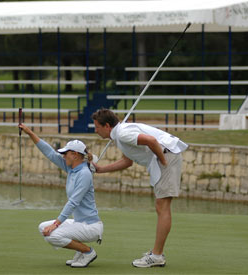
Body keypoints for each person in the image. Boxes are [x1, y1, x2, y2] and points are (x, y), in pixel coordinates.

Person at [91, 108, 188, 268]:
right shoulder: (120, 135)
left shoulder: (122, 133)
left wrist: (163, 160)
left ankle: (157, 256)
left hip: (166, 155)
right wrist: (101, 169)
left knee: (162, 207)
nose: (95, 130)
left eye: (97, 127)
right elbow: (127, 162)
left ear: (107, 126)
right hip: (165, 155)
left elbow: (151, 140)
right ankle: (156, 254)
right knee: (161, 206)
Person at [19, 123, 103, 268]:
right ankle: (81, 251)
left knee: (53, 235)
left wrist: (56, 224)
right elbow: (50, 153)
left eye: (66, 153)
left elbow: (73, 202)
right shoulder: (71, 168)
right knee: (42, 227)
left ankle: (87, 252)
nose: (63, 156)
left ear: (75, 155)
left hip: (90, 227)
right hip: (79, 223)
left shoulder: (84, 174)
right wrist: (29, 132)